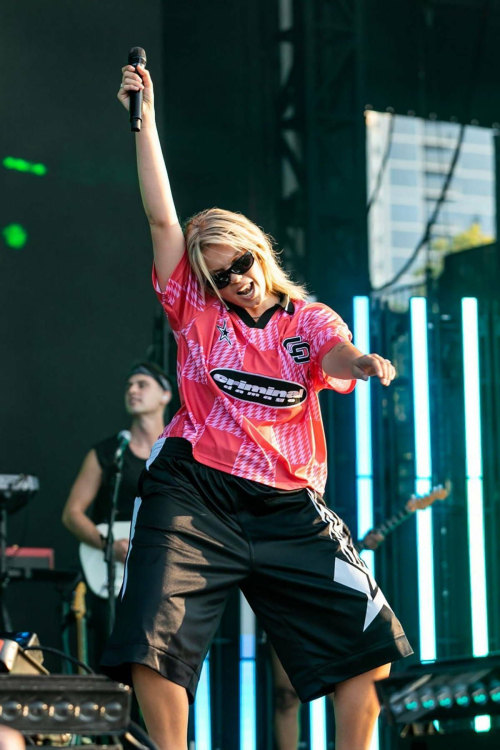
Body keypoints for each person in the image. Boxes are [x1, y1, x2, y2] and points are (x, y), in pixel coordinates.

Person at [100, 62, 413, 750]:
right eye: (219, 274)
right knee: (153, 632)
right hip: (195, 492)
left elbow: (332, 356)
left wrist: (358, 363)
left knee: (369, 637)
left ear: (260, 251)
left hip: (288, 503)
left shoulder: (306, 320)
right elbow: (159, 214)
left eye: (241, 263)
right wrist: (145, 118)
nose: (235, 280)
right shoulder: (194, 310)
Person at [62, 362, 171, 667]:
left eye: (142, 384)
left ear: (165, 395)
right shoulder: (109, 453)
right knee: (111, 657)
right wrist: (110, 545)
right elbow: (72, 513)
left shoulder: (179, 450)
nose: (132, 390)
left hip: (161, 570)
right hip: (111, 574)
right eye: (128, 385)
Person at [271, 529, 386, 750]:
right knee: (286, 697)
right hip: (285, 609)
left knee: (343, 690)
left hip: (327, 611)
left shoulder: (323, 518)